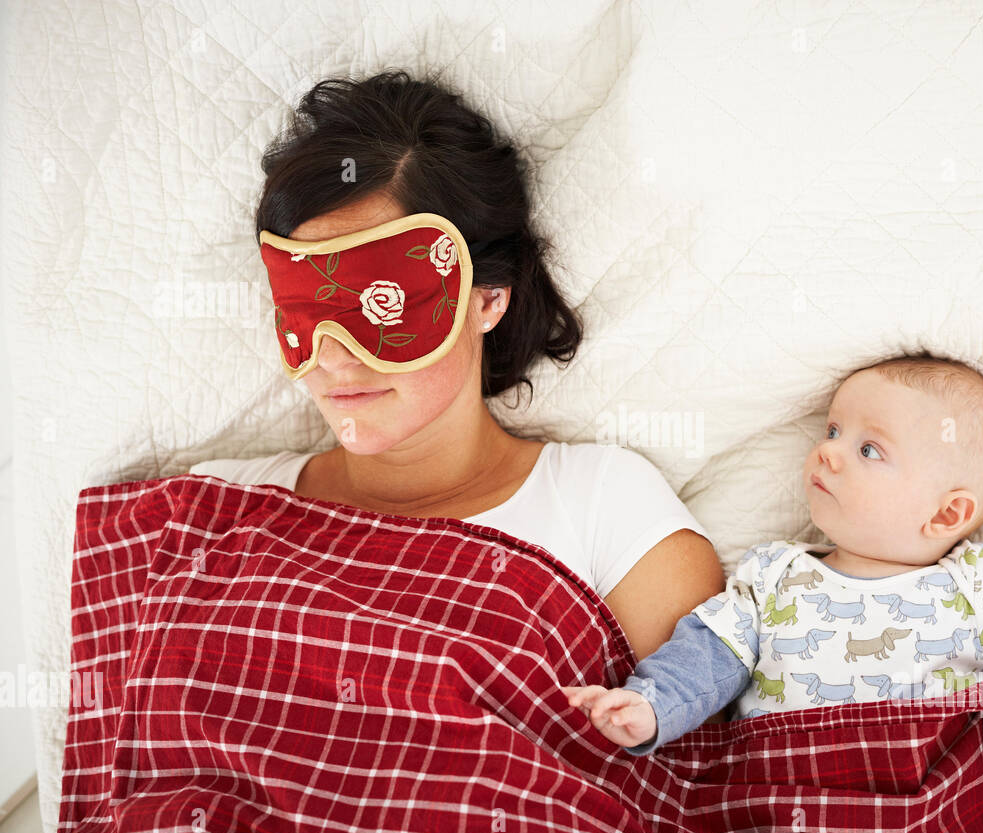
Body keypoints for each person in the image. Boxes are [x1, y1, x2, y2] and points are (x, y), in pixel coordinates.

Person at [191, 70, 725, 669]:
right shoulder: (212, 510)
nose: (335, 355)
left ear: (488, 299)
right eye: (305, 307)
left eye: (377, 302)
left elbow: (685, 757)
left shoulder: (608, 509)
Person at [563, 357, 983, 787]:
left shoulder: (976, 585)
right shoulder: (773, 575)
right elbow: (707, 658)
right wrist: (650, 705)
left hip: (934, 793)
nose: (827, 453)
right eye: (832, 431)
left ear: (947, 513)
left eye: (869, 450)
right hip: (787, 798)